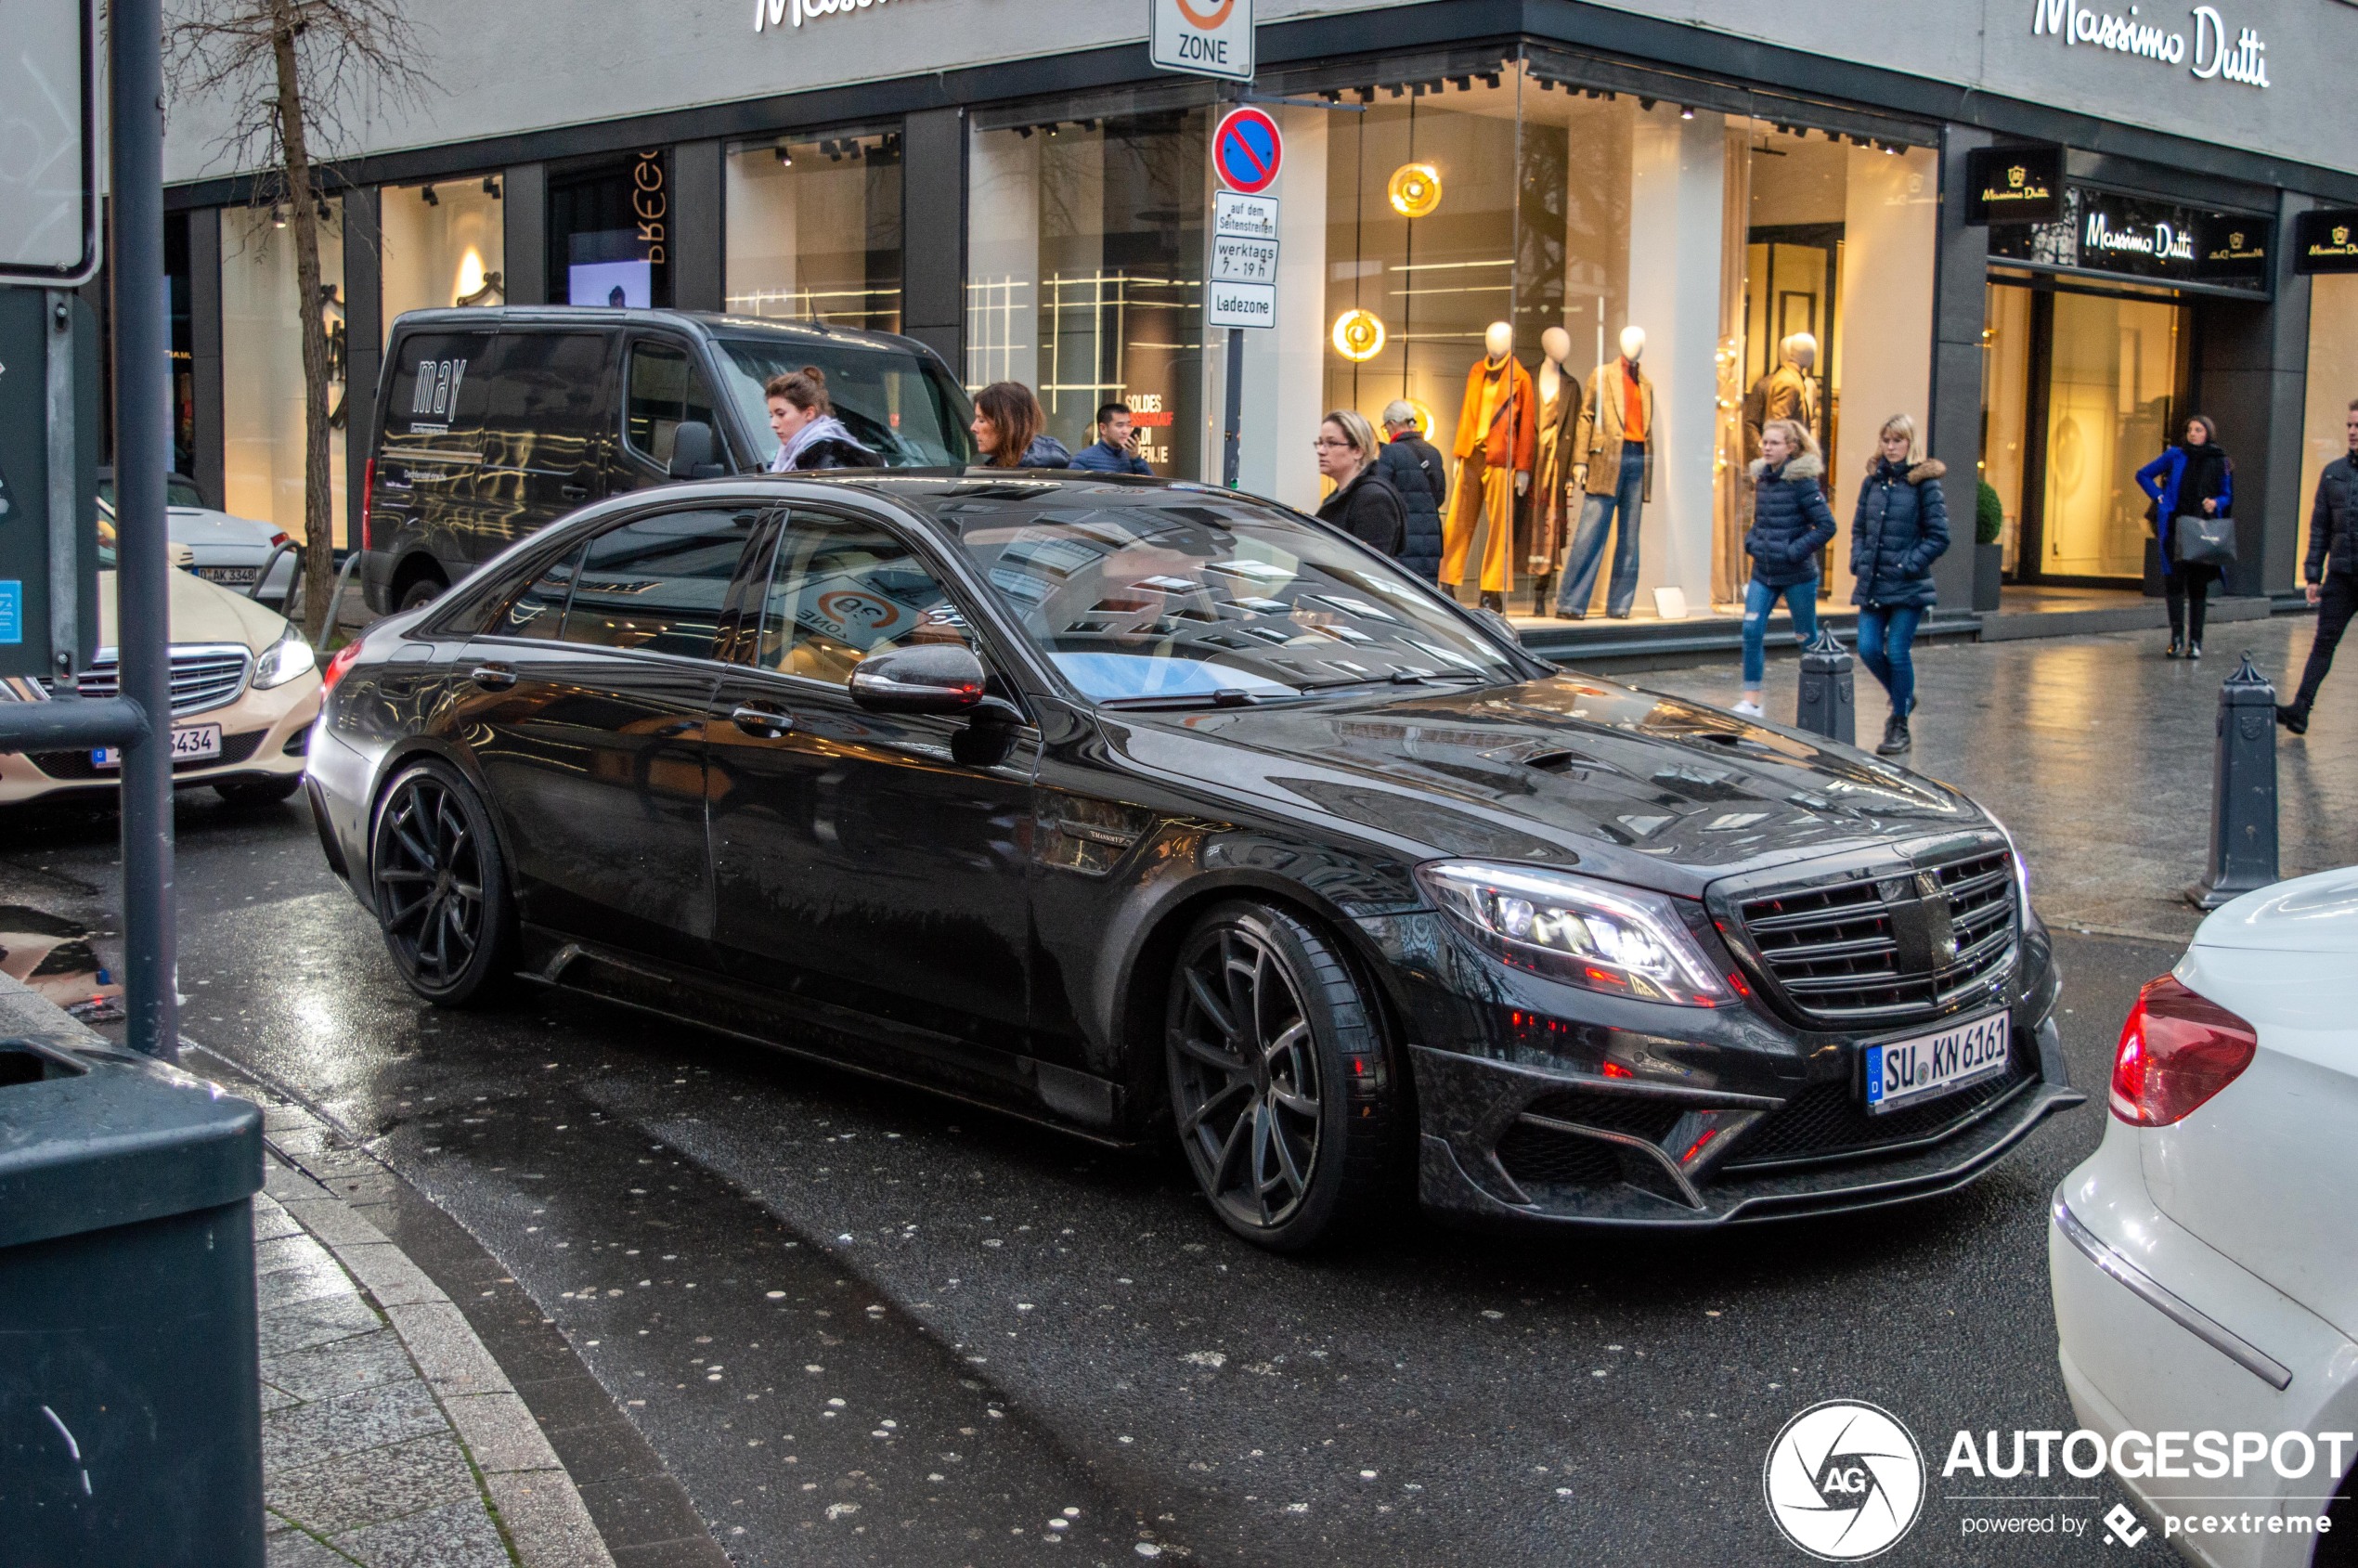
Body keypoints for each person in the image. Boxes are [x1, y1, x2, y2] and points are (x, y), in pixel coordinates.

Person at [1849, 414, 1950, 756]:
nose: (1890, 447)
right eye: (1886, 440)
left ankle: (1899, 723)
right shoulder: (1873, 482)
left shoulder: (1925, 483)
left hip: (1908, 586)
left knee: (1897, 651)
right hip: (1875, 581)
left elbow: (1939, 537)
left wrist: (1909, 564)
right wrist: (1859, 559)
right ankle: (1903, 693)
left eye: (1897, 440)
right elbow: (1859, 529)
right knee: (1867, 648)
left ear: (1911, 443)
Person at [1736, 418, 1838, 718]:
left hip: (1797, 575)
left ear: (1791, 448)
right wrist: (1752, 542)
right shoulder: (1763, 480)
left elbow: (1826, 526)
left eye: (1774, 443)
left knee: (1806, 636)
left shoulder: (1802, 482)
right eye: (1764, 442)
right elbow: (1759, 521)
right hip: (1764, 573)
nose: (1766, 448)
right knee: (1751, 630)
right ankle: (1752, 702)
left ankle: (1817, 699)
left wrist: (1793, 551)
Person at [2280, 397, 2358, 734]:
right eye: (2350, 426)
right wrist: (2313, 574)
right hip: (2341, 577)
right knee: (2324, 643)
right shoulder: (2334, 474)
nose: (2353, 432)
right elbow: (2320, 527)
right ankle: (2300, 710)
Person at [2135, 414, 2234, 659]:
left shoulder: (2220, 460)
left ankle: (2196, 642)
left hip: (2202, 530)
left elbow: (2227, 495)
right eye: (2190, 429)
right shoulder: (2175, 455)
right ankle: (2176, 639)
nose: (2193, 434)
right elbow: (2143, 474)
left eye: (2198, 430)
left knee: (2198, 587)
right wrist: (2159, 498)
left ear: (2208, 433)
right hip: (2175, 528)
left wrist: (2216, 502)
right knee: (2175, 583)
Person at [1313, 410, 1406, 556]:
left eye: (1331, 443)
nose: (1320, 450)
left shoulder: (1374, 499)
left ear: (1357, 450)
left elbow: (1368, 569)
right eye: (1320, 443)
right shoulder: (1341, 497)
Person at [1375, 400, 1446, 581]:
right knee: (1427, 596)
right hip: (1431, 540)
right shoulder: (1434, 452)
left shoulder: (1390, 453)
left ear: (1392, 424)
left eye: (1386, 427)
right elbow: (1439, 497)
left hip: (1403, 540)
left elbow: (1381, 496)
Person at [765, 367, 876, 472]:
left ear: (809, 413)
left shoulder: (830, 458)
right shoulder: (790, 455)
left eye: (781, 414)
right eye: (772, 416)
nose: (773, 424)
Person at [970, 382, 1071, 469]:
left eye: (982, 420)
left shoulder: (1033, 474)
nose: (973, 428)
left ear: (1008, 425)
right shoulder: (1005, 466)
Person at [1069, 402, 1153, 474]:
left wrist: (1136, 459)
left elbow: (1153, 487)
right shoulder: (1084, 459)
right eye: (1119, 425)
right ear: (1103, 428)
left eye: (1129, 425)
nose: (1125, 431)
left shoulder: (1130, 458)